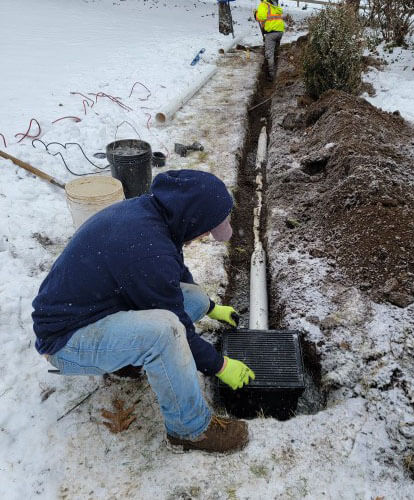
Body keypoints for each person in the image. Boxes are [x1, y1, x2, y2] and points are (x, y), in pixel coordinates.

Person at [32, 169, 255, 453]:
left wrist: (212, 308)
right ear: (193, 219)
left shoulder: (154, 215)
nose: (201, 237)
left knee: (195, 300)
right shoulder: (146, 249)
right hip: (66, 341)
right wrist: (220, 366)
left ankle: (127, 361)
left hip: (99, 310)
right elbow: (179, 328)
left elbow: (174, 273)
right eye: (205, 231)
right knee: (165, 331)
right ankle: (190, 430)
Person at [254, 0, 285, 81]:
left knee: (269, 54)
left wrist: (255, 14)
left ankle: (272, 76)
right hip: (280, 32)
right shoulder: (273, 5)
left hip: (271, 33)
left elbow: (261, 17)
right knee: (275, 52)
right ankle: (277, 69)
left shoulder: (263, 4)